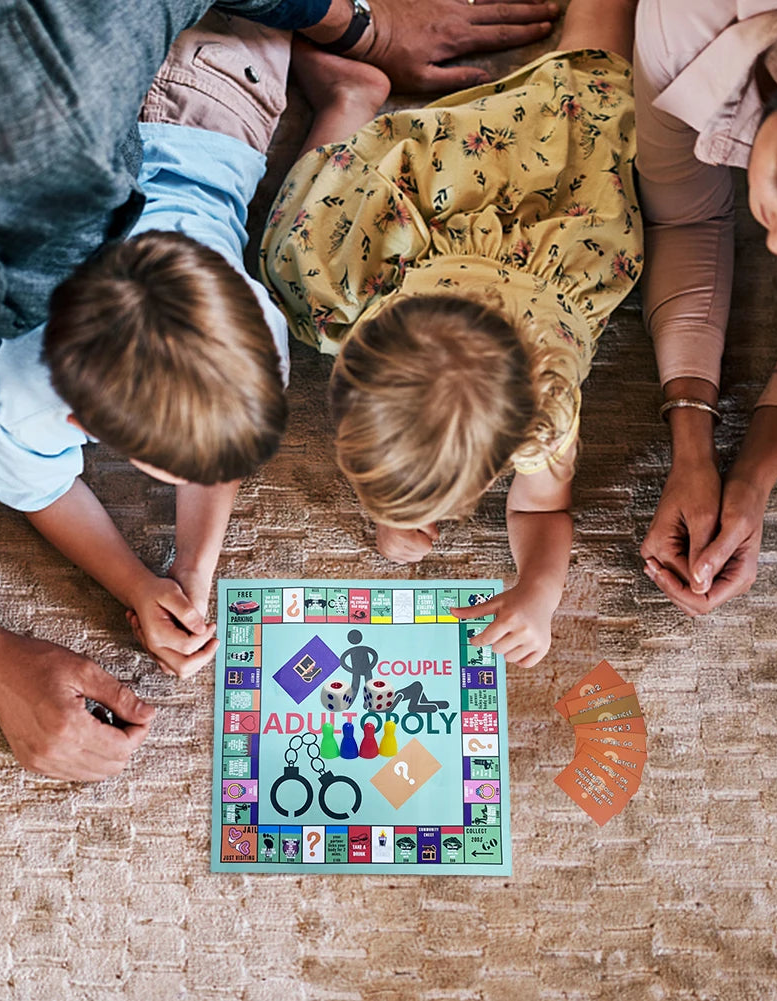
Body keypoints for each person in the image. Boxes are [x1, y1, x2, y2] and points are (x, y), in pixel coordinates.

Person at [0, 0, 562, 781]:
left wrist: (359, 22)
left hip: (173, 86)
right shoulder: (49, 341)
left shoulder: (56, 96)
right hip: (211, 119)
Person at [262, 0, 642, 668]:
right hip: (451, 193)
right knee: (298, 258)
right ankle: (349, 101)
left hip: (531, 217)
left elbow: (541, 513)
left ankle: (352, 98)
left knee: (591, 89)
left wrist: (539, 589)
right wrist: (393, 508)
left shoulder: (546, 412)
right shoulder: (368, 293)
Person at [0, 14, 293, 681]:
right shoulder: (18, 387)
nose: (204, 481)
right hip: (203, 92)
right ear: (80, 422)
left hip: (187, 97)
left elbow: (216, 440)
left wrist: (193, 566)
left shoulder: (257, 337)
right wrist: (133, 582)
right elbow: (35, 490)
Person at [635, 0, 777, 615]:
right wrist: (689, 443)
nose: (776, 247)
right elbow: (685, 218)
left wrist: (749, 481)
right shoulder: (688, 22)